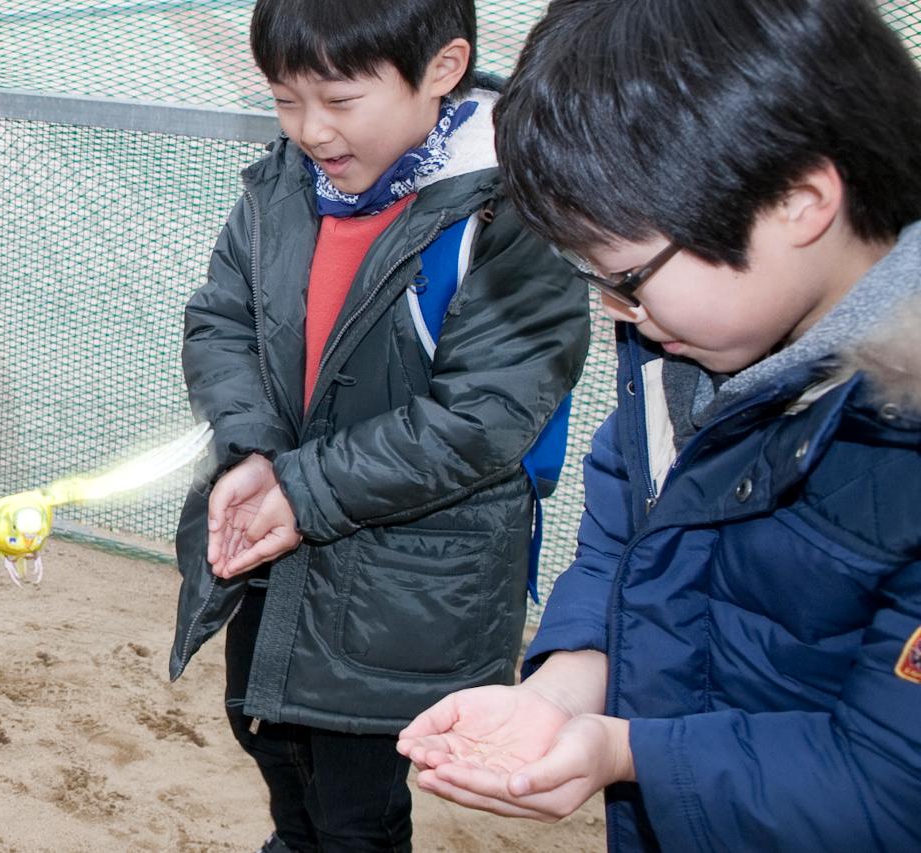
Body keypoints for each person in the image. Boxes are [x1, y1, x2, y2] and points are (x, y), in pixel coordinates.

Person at [396, 0, 921, 850]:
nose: (619, 311)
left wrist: (625, 748)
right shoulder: (687, 355)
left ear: (800, 200)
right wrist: (560, 692)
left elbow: (895, 787)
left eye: (629, 275)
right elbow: (625, 549)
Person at [166, 1, 590, 849]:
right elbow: (221, 321)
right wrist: (253, 450)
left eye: (339, 99)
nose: (311, 129)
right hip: (271, 554)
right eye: (286, 100)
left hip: (410, 587)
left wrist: (300, 486)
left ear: (442, 68)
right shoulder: (282, 187)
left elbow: (483, 419)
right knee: (276, 749)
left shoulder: (510, 214)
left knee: (358, 807)